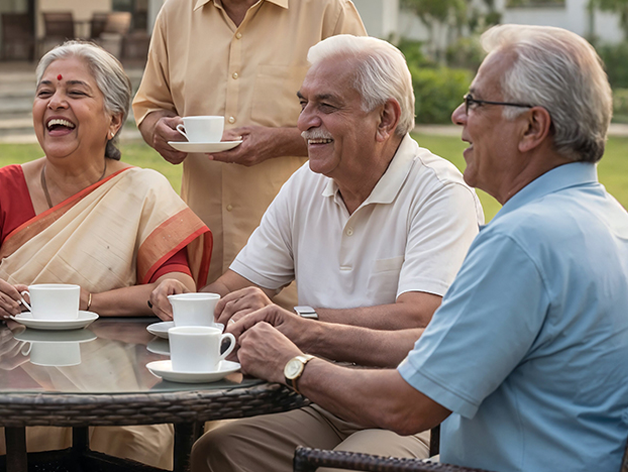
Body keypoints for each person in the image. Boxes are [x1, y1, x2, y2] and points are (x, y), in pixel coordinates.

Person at [208, 24, 628, 472]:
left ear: (532, 127)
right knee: (223, 447)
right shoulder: (618, 228)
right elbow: (433, 348)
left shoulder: (522, 241)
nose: (457, 117)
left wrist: (292, 364)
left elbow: (409, 407)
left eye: (477, 103)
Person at [180, 35, 481, 468]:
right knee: (217, 451)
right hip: (318, 396)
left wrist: (304, 322)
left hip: (405, 412)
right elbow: (237, 285)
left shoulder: (439, 192)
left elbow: (423, 317)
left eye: (326, 105)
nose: (303, 122)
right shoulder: (307, 182)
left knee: (340, 469)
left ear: (385, 118)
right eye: (304, 103)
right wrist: (184, 304)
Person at [0, 42, 211, 467]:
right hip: (12, 390)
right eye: (44, 92)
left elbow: (175, 289)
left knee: (134, 442)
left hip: (119, 391)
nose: (55, 103)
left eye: (76, 93)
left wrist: (89, 303)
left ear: (114, 121)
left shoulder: (143, 190)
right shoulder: (0, 187)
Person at [133, 0, 368, 281]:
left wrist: (278, 142)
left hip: (301, 265)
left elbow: (367, 129)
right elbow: (150, 105)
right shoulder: (175, 12)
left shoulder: (326, 11)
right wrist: (157, 131)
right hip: (200, 258)